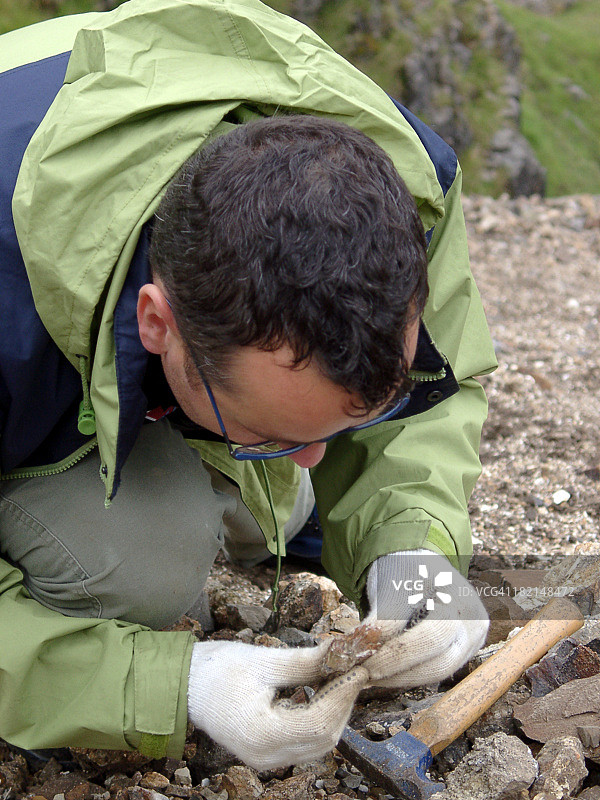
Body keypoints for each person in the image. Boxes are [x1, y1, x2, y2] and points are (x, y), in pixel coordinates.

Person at [0, 0, 497, 769]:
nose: (313, 461)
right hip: (30, 324)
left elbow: (439, 384)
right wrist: (168, 685)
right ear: (156, 322)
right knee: (140, 565)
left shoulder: (405, 190)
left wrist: (411, 547)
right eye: (273, 435)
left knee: (286, 490)